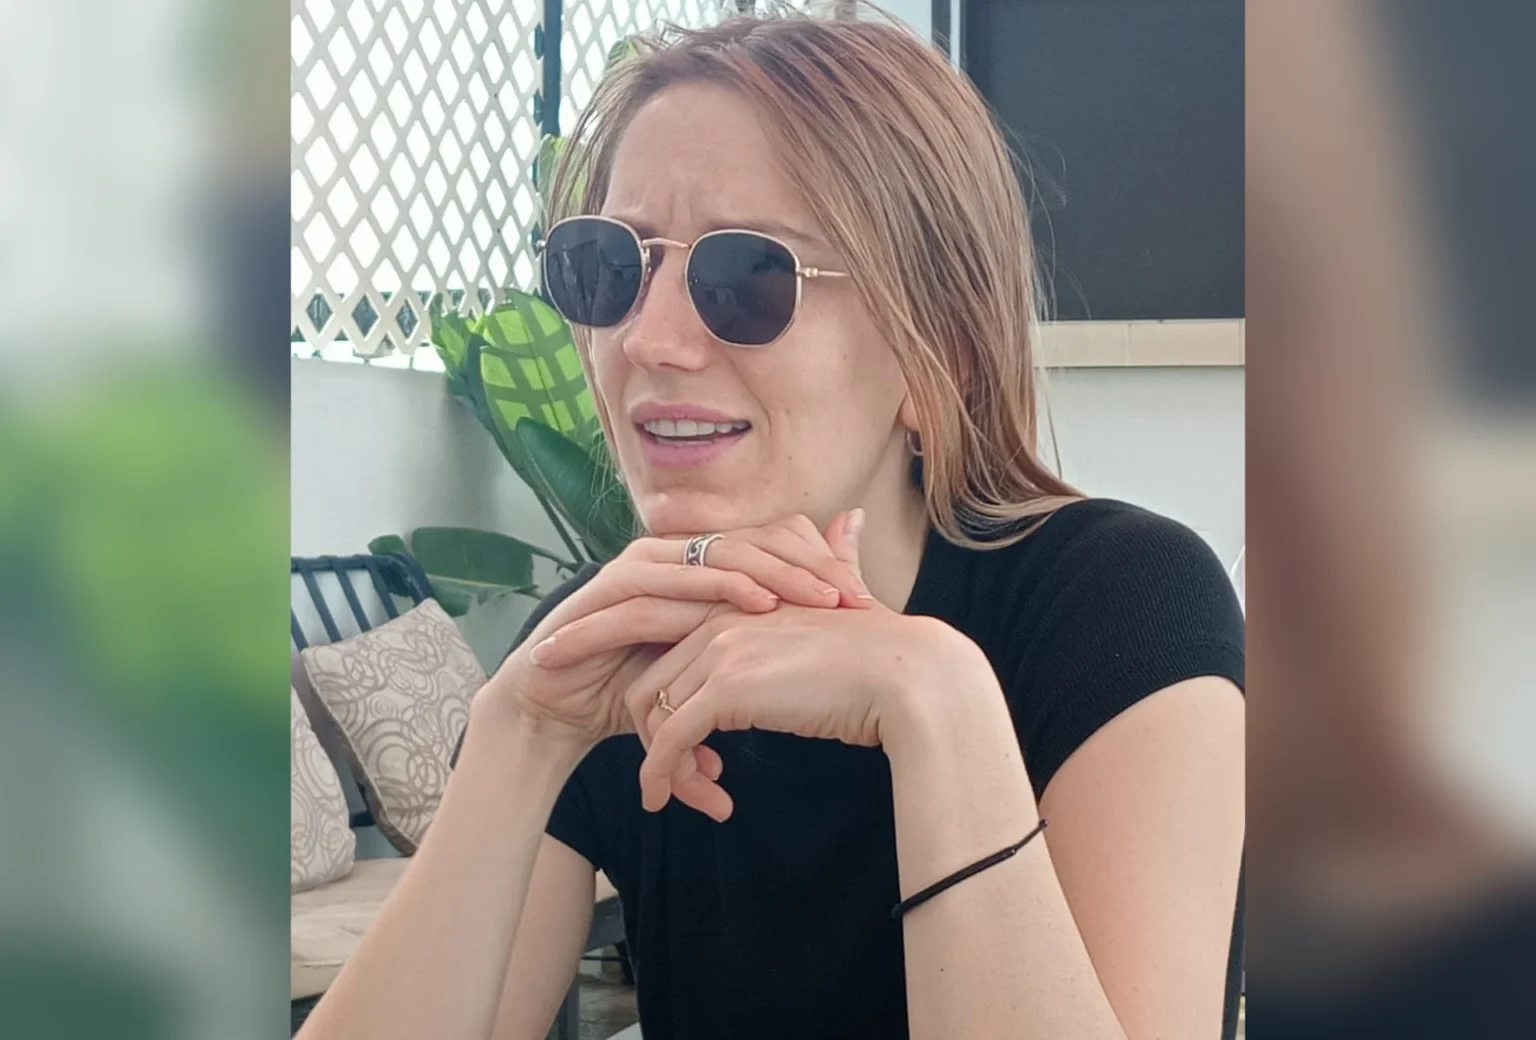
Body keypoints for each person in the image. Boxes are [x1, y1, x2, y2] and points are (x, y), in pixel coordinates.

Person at [298, 8, 1245, 1040]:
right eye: (609, 266)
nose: (649, 339)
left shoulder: (1121, 607)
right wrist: (517, 739)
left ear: (942, 355)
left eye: (748, 276)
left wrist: (936, 706)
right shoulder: (606, 653)